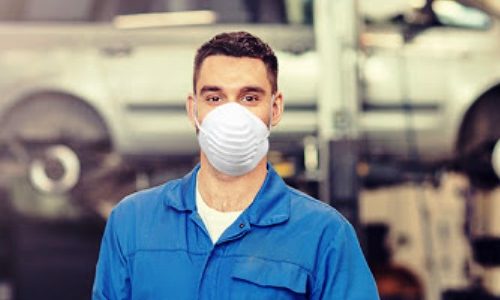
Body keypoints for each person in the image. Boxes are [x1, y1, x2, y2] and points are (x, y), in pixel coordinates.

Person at [92, 31, 379, 300]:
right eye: (214, 98)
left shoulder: (323, 234)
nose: (231, 115)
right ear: (193, 109)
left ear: (275, 108)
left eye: (250, 97)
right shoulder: (132, 222)